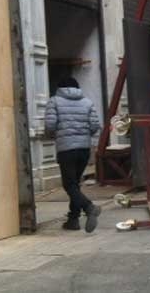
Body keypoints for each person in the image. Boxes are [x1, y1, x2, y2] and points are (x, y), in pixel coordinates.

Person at [44, 77, 102, 232]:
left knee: (69, 184)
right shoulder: (87, 102)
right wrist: (83, 135)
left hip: (66, 148)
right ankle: (73, 220)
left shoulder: (54, 101)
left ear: (60, 88)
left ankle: (89, 207)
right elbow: (95, 125)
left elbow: (50, 125)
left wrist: (54, 134)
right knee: (75, 184)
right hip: (84, 148)